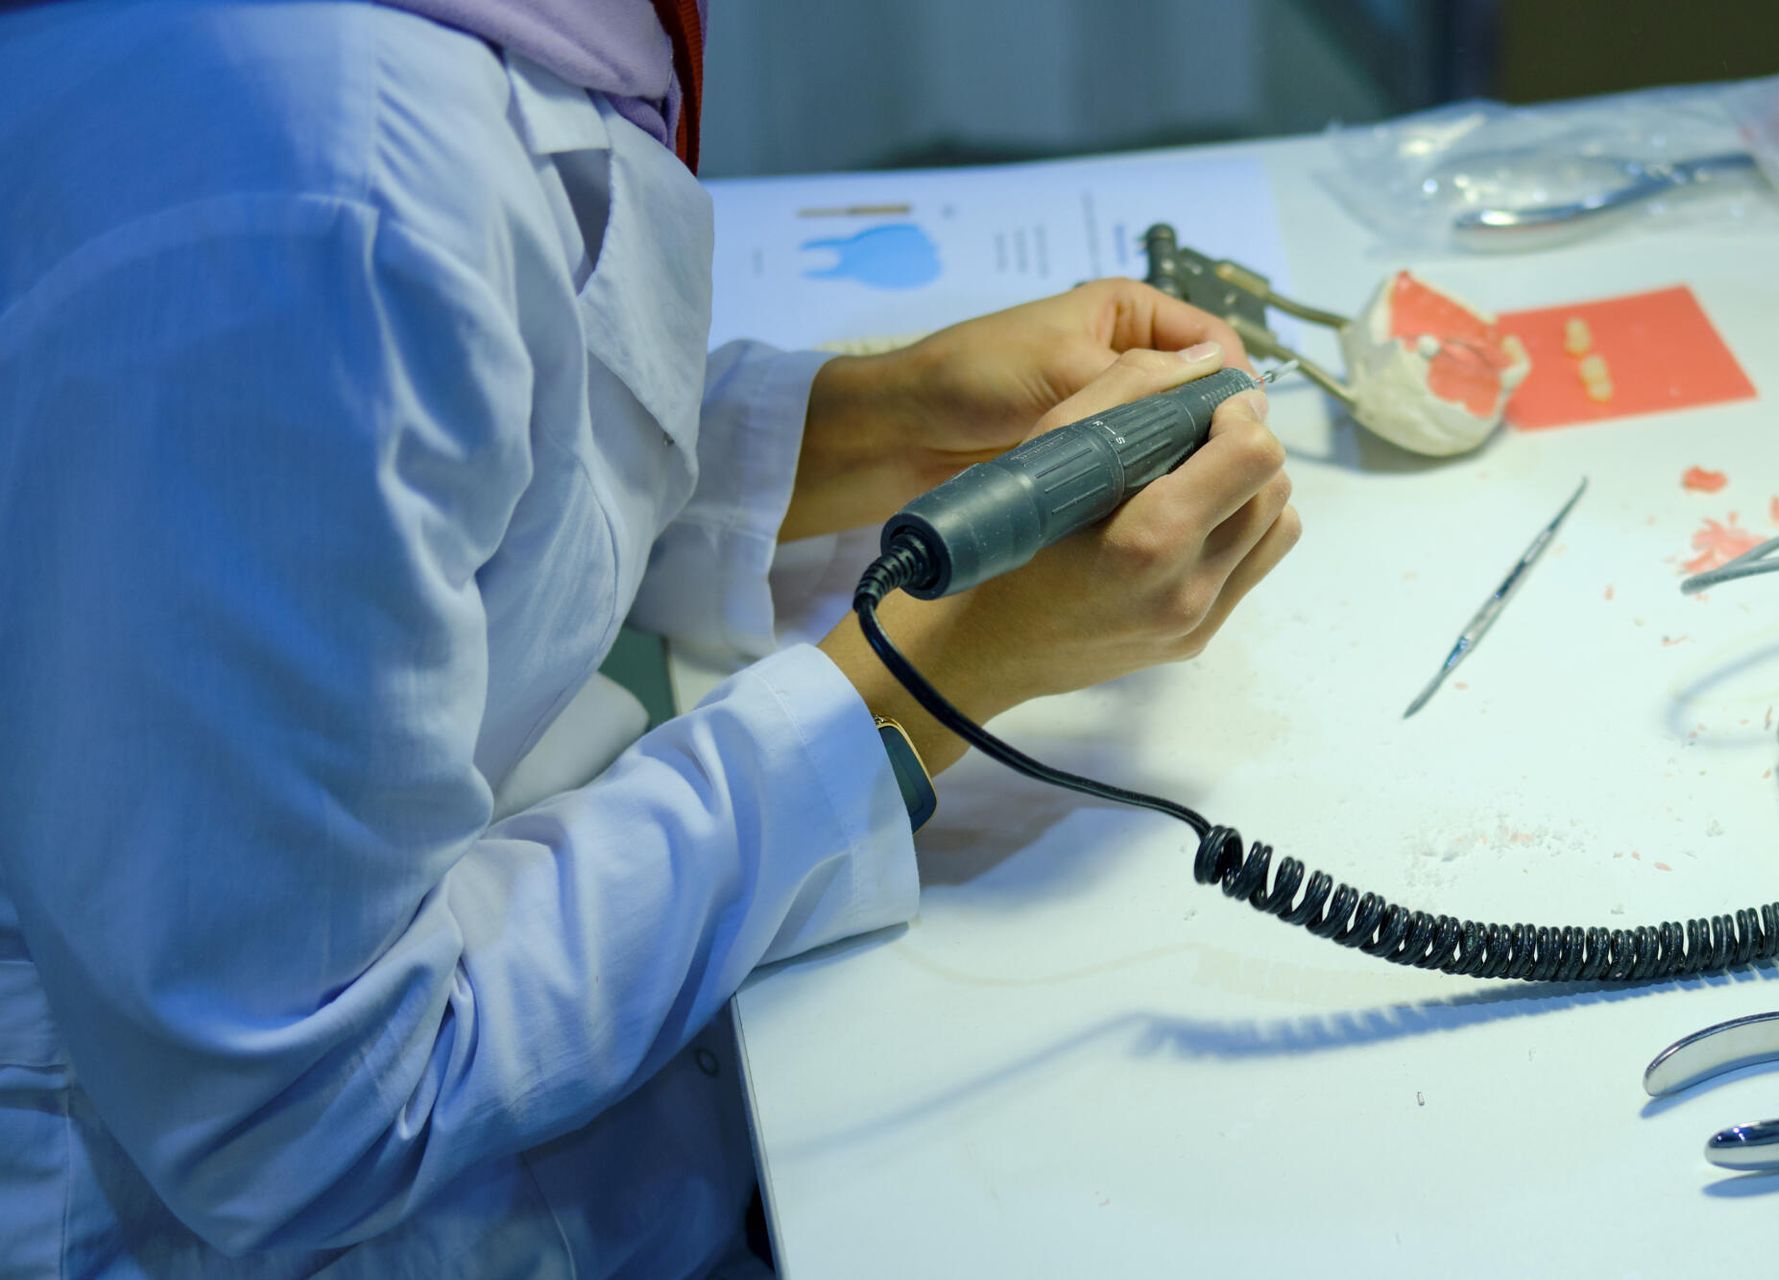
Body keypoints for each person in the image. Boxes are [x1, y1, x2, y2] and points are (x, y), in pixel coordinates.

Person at [0, 1, 1300, 1275]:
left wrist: (875, 424)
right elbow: (295, 1120)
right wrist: (929, 676)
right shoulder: (313, 179)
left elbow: (435, 461)